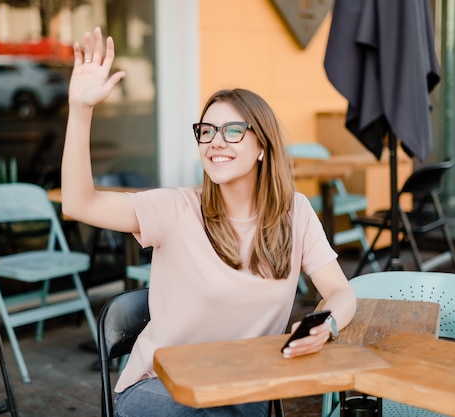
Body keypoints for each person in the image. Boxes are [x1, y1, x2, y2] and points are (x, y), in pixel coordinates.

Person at [62, 28, 357, 417]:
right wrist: (81, 110)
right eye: (206, 131)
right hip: (160, 390)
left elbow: (341, 292)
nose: (215, 141)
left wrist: (327, 325)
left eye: (233, 131)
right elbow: (79, 203)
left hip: (243, 389)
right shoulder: (176, 208)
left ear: (262, 148)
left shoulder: (295, 212)